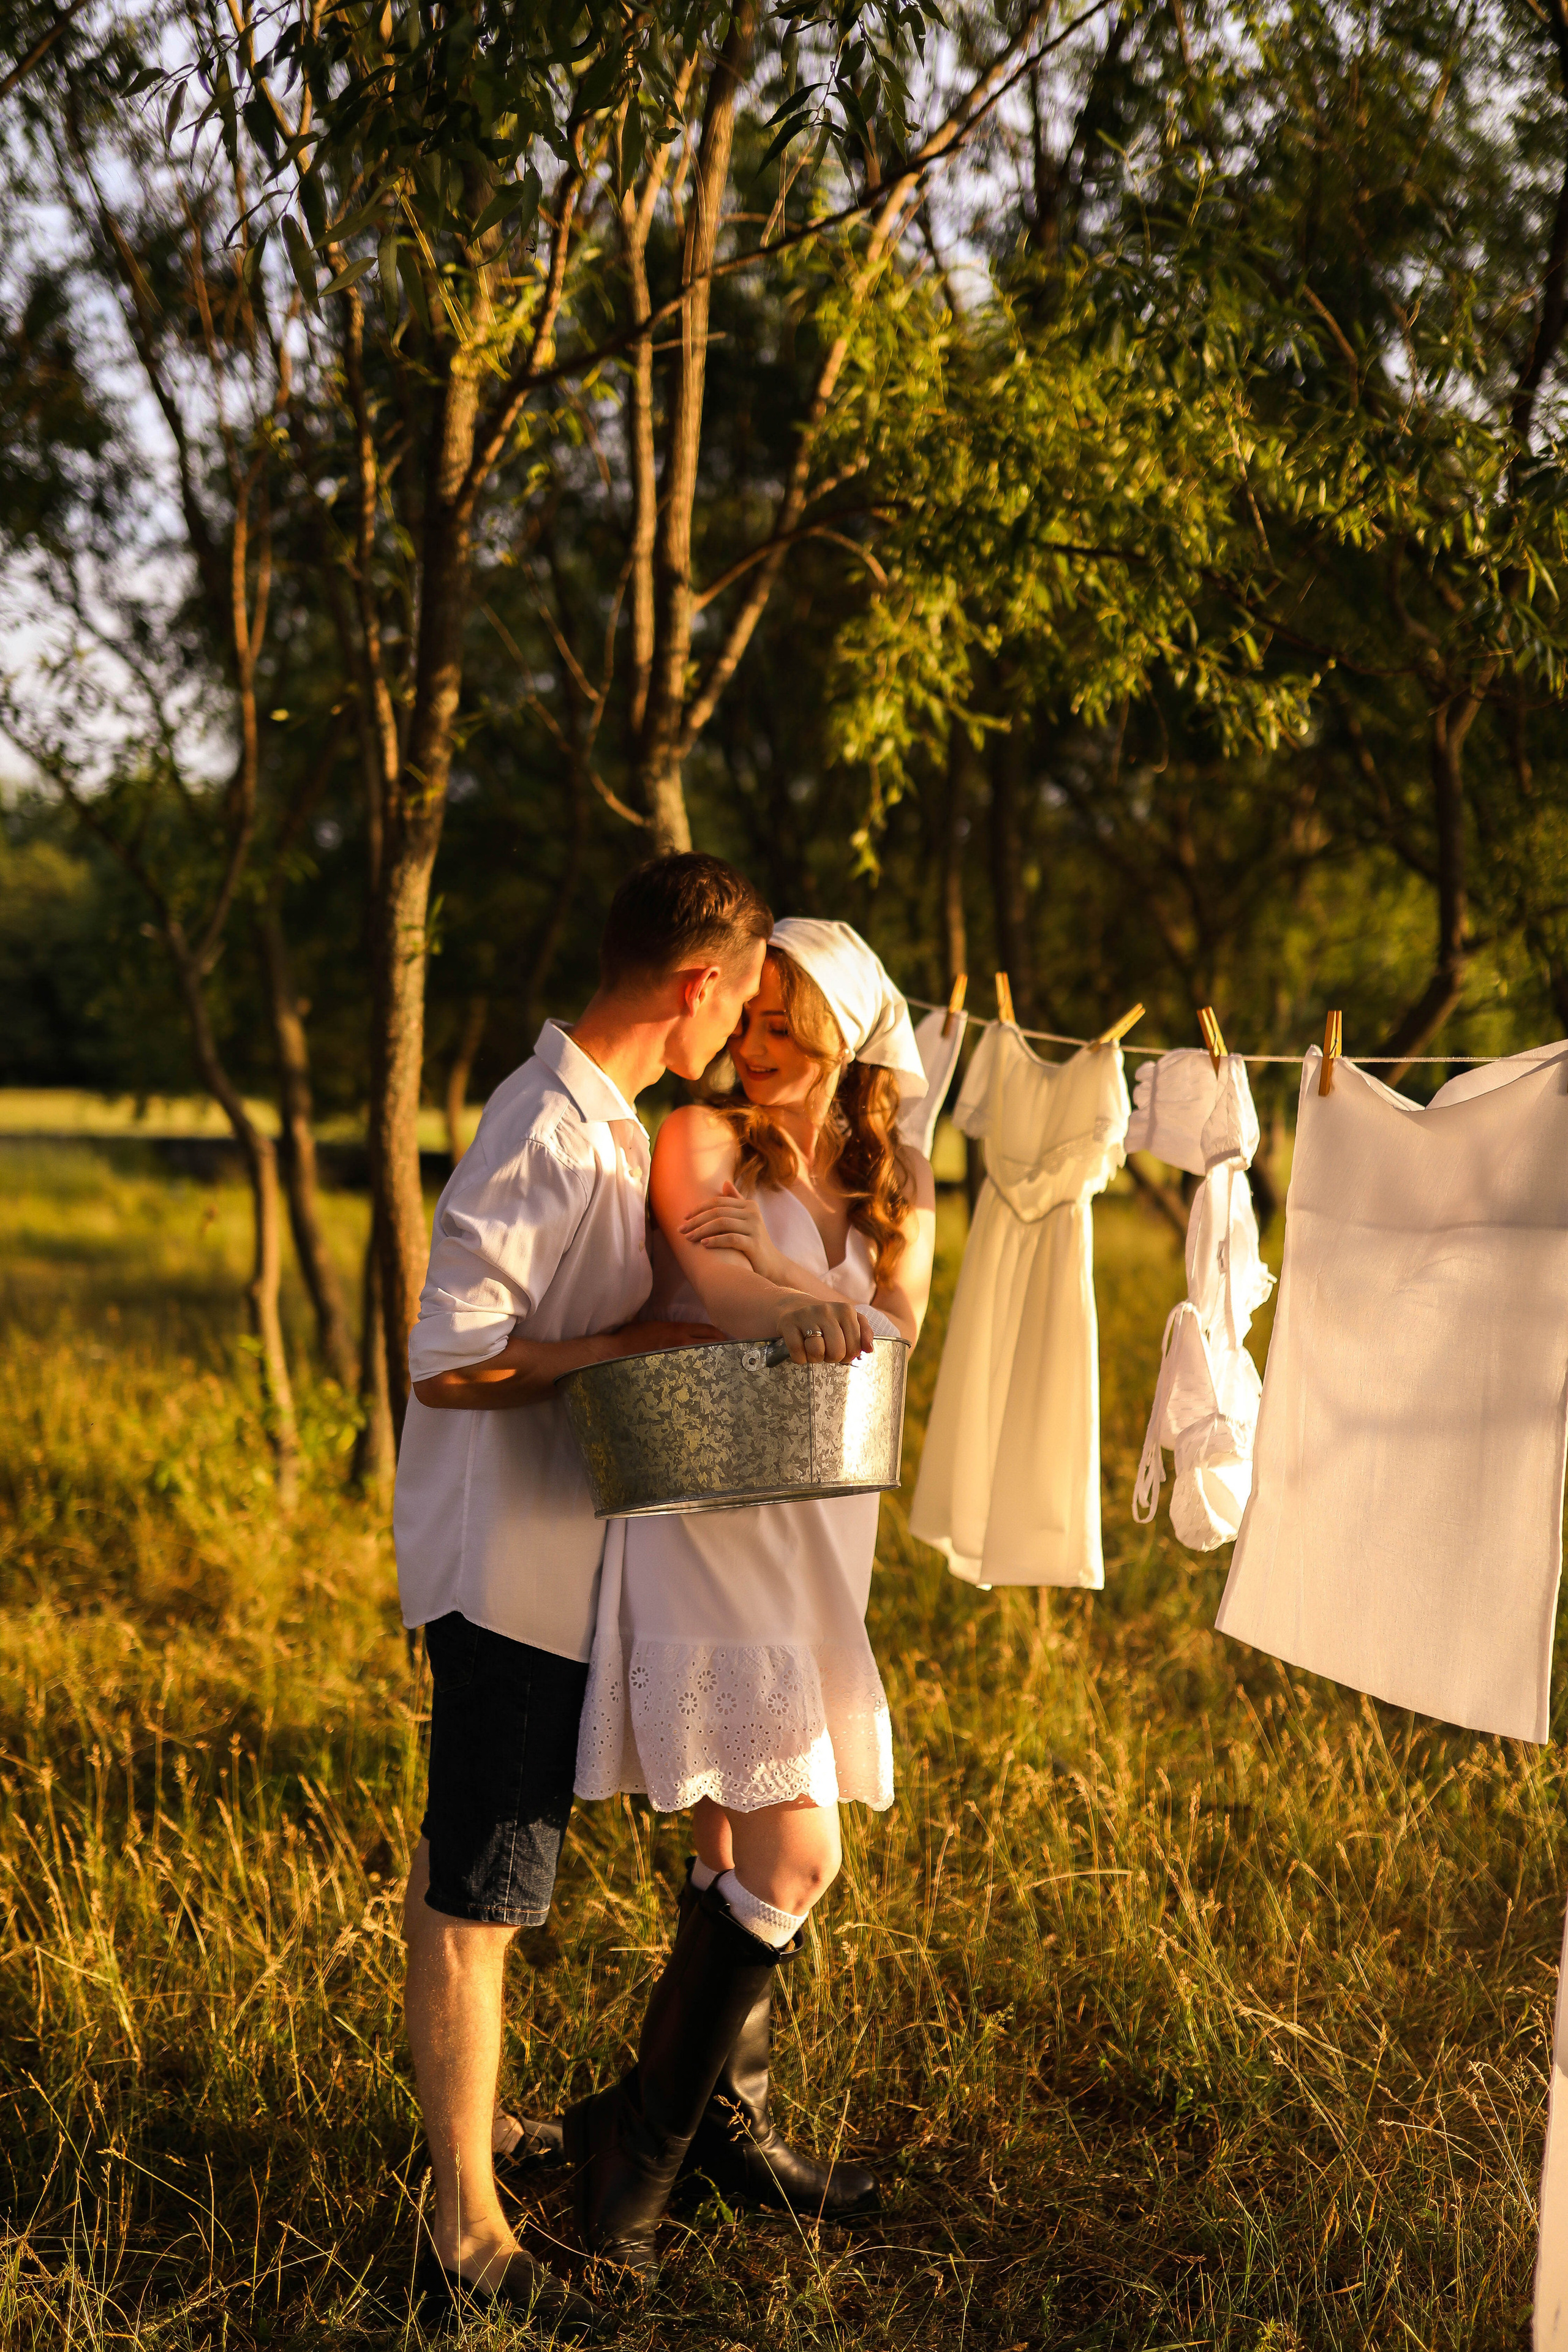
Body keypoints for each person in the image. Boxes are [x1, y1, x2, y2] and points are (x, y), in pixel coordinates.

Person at [394, 855, 858, 2338]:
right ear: (698, 986)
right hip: (498, 1573)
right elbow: (443, 1357)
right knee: (477, 1899)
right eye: (744, 997)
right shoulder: (543, 1129)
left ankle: (520, 2146)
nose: (745, 1031)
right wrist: (634, 1347)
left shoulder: (605, 1126)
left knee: (499, 1883)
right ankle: (462, 2232)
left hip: (561, 1560)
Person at [561, 918, 938, 2274]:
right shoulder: (700, 1136)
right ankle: (634, 2158)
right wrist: (780, 1292)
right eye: (754, 1018)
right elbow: (716, 1286)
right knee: (797, 1856)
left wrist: (787, 1282)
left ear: (851, 1036)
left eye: (792, 1025)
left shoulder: (894, 1168)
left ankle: (720, 2126)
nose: (761, 1047)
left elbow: (891, 1333)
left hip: (820, 1526)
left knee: (731, 1846)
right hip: (713, 1512)